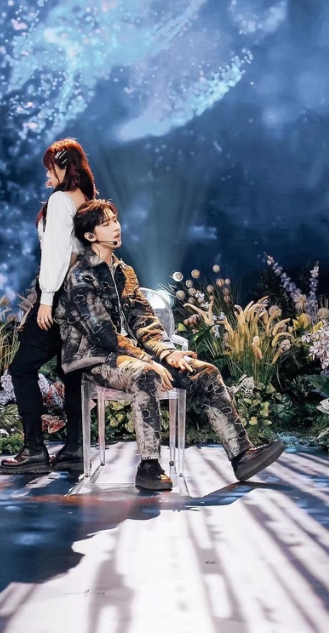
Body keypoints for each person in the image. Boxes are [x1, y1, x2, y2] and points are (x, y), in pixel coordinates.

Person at [54, 199, 285, 490]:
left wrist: (168, 353)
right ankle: (149, 466)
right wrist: (149, 361)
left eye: (115, 220)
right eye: (106, 223)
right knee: (145, 374)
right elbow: (102, 333)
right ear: (90, 235)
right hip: (94, 357)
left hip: (130, 355)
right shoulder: (80, 275)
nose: (116, 227)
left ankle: (242, 456)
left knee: (205, 372)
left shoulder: (124, 272)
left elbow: (145, 321)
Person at [0, 139, 96, 474]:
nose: (47, 175)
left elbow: (58, 253)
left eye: (50, 168)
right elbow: (79, 254)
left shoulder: (59, 201)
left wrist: (46, 299)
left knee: (21, 369)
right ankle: (75, 449)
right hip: (83, 302)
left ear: (64, 166)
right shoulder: (86, 201)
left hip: (58, 297)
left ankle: (34, 450)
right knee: (71, 371)